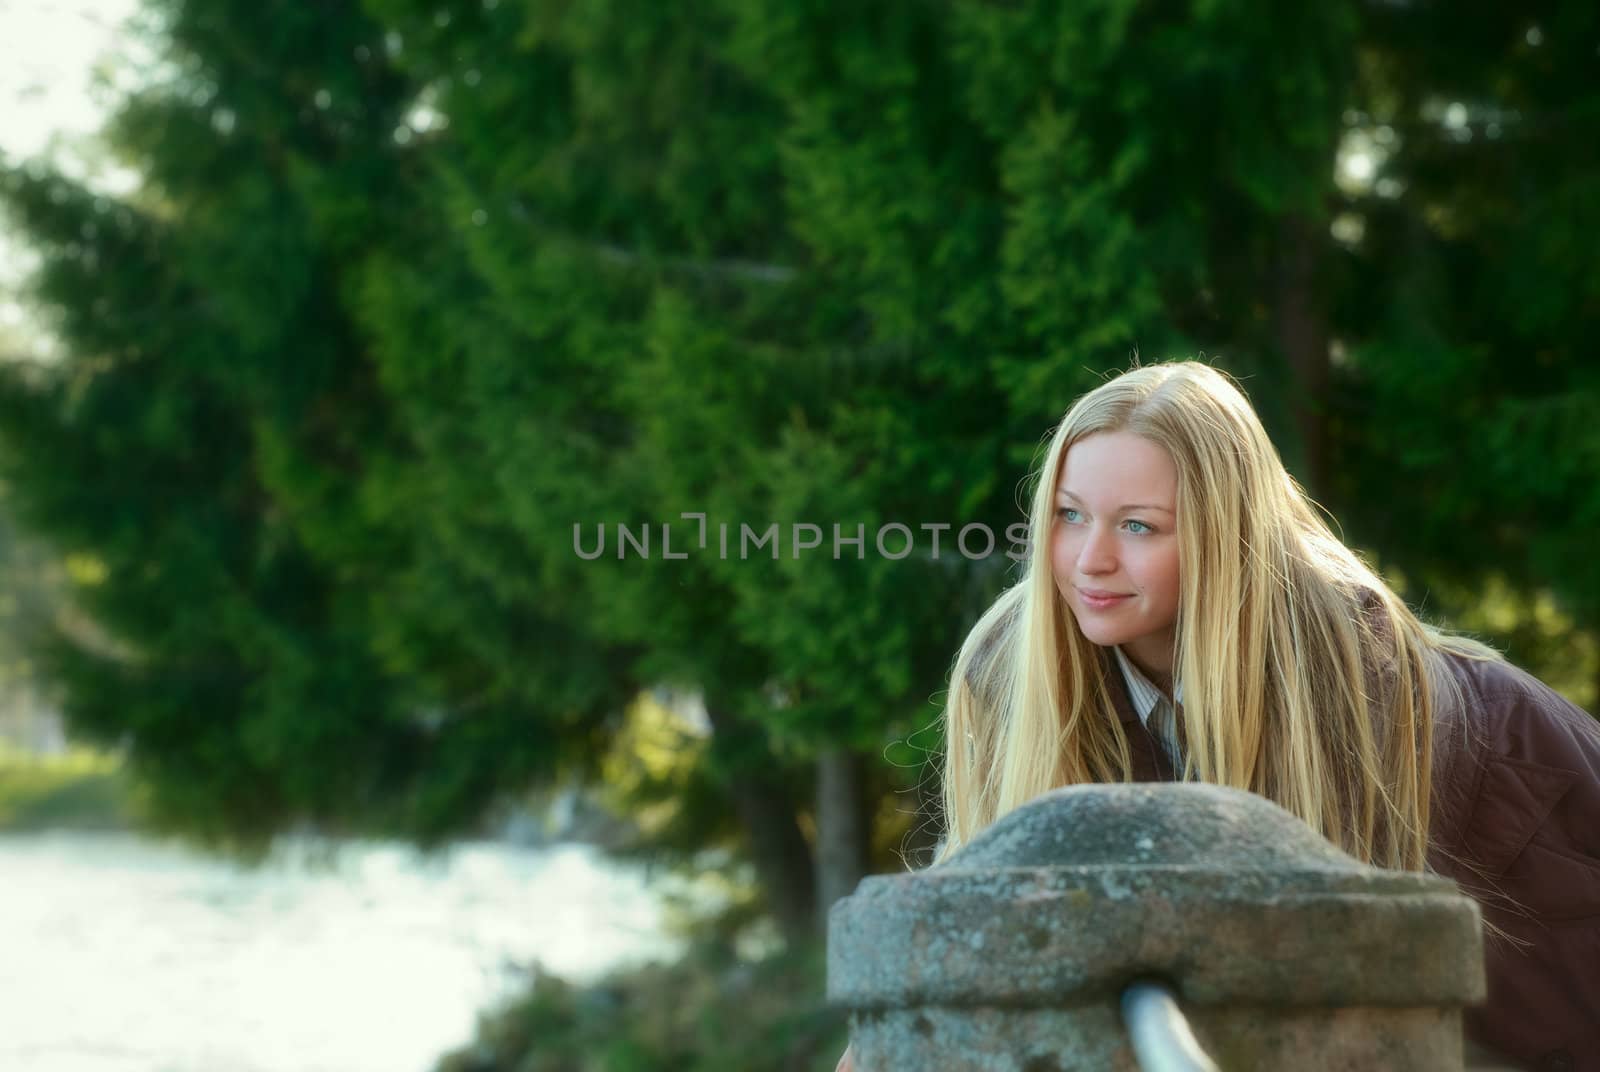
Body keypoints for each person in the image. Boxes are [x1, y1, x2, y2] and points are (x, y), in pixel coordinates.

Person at [836, 362, 1599, 1072]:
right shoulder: (1012, 666)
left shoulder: (1355, 674)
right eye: (1070, 515)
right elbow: (974, 921)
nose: (1088, 560)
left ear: (1222, 536)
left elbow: (1327, 986)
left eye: (1138, 526)